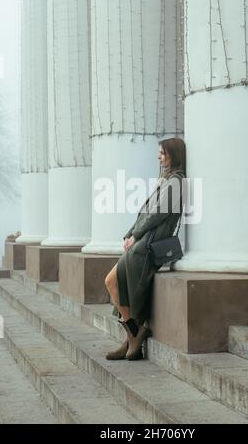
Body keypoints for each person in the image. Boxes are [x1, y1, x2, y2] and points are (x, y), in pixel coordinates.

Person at [104, 137, 186, 361]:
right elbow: (144, 213)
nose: (159, 157)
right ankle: (133, 334)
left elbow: (157, 215)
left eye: (163, 153)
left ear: (174, 154)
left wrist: (136, 235)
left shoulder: (177, 182)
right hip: (141, 241)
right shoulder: (166, 179)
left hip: (149, 244)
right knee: (112, 282)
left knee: (113, 280)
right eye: (159, 153)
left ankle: (133, 335)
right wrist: (130, 233)